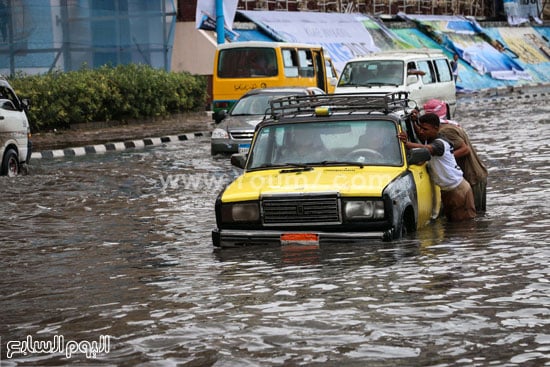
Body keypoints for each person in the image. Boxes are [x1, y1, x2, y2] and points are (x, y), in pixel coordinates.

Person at [398, 113, 476, 222]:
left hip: (458, 191)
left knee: (463, 228)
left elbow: (427, 149)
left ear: (436, 128)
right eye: (420, 128)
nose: (421, 131)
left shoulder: (440, 144)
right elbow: (422, 138)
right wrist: (415, 122)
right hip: (450, 190)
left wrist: (407, 143)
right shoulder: (431, 139)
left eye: (425, 129)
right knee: (455, 227)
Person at [424, 99, 488, 212]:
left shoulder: (445, 131)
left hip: (472, 177)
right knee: (477, 217)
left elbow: (465, 149)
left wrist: (444, 156)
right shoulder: (450, 126)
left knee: (471, 218)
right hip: (475, 175)